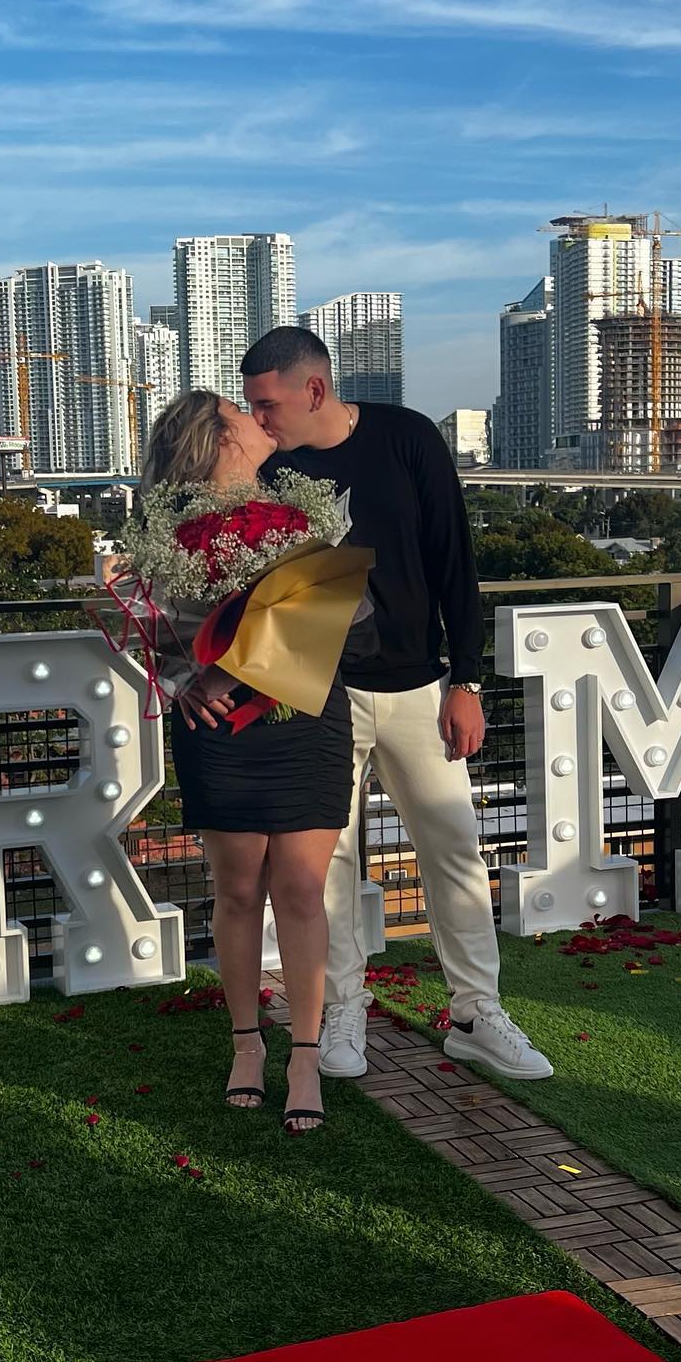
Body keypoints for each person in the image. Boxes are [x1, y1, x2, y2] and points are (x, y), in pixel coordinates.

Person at [240, 326, 554, 1083]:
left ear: (313, 388)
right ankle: (343, 1009)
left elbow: (456, 562)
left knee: (453, 850)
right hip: (316, 695)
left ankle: (477, 1013)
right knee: (329, 865)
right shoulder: (266, 466)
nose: (259, 420)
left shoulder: (408, 437)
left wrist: (467, 681)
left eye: (267, 404)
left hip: (418, 685)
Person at [139, 388, 363, 1134]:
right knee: (237, 891)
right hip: (219, 726)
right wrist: (182, 678)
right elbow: (154, 633)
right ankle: (244, 1046)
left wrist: (231, 666)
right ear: (218, 439)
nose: (258, 419)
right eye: (242, 414)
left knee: (301, 890)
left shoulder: (307, 517)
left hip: (305, 717)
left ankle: (303, 1053)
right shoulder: (164, 533)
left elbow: (331, 611)